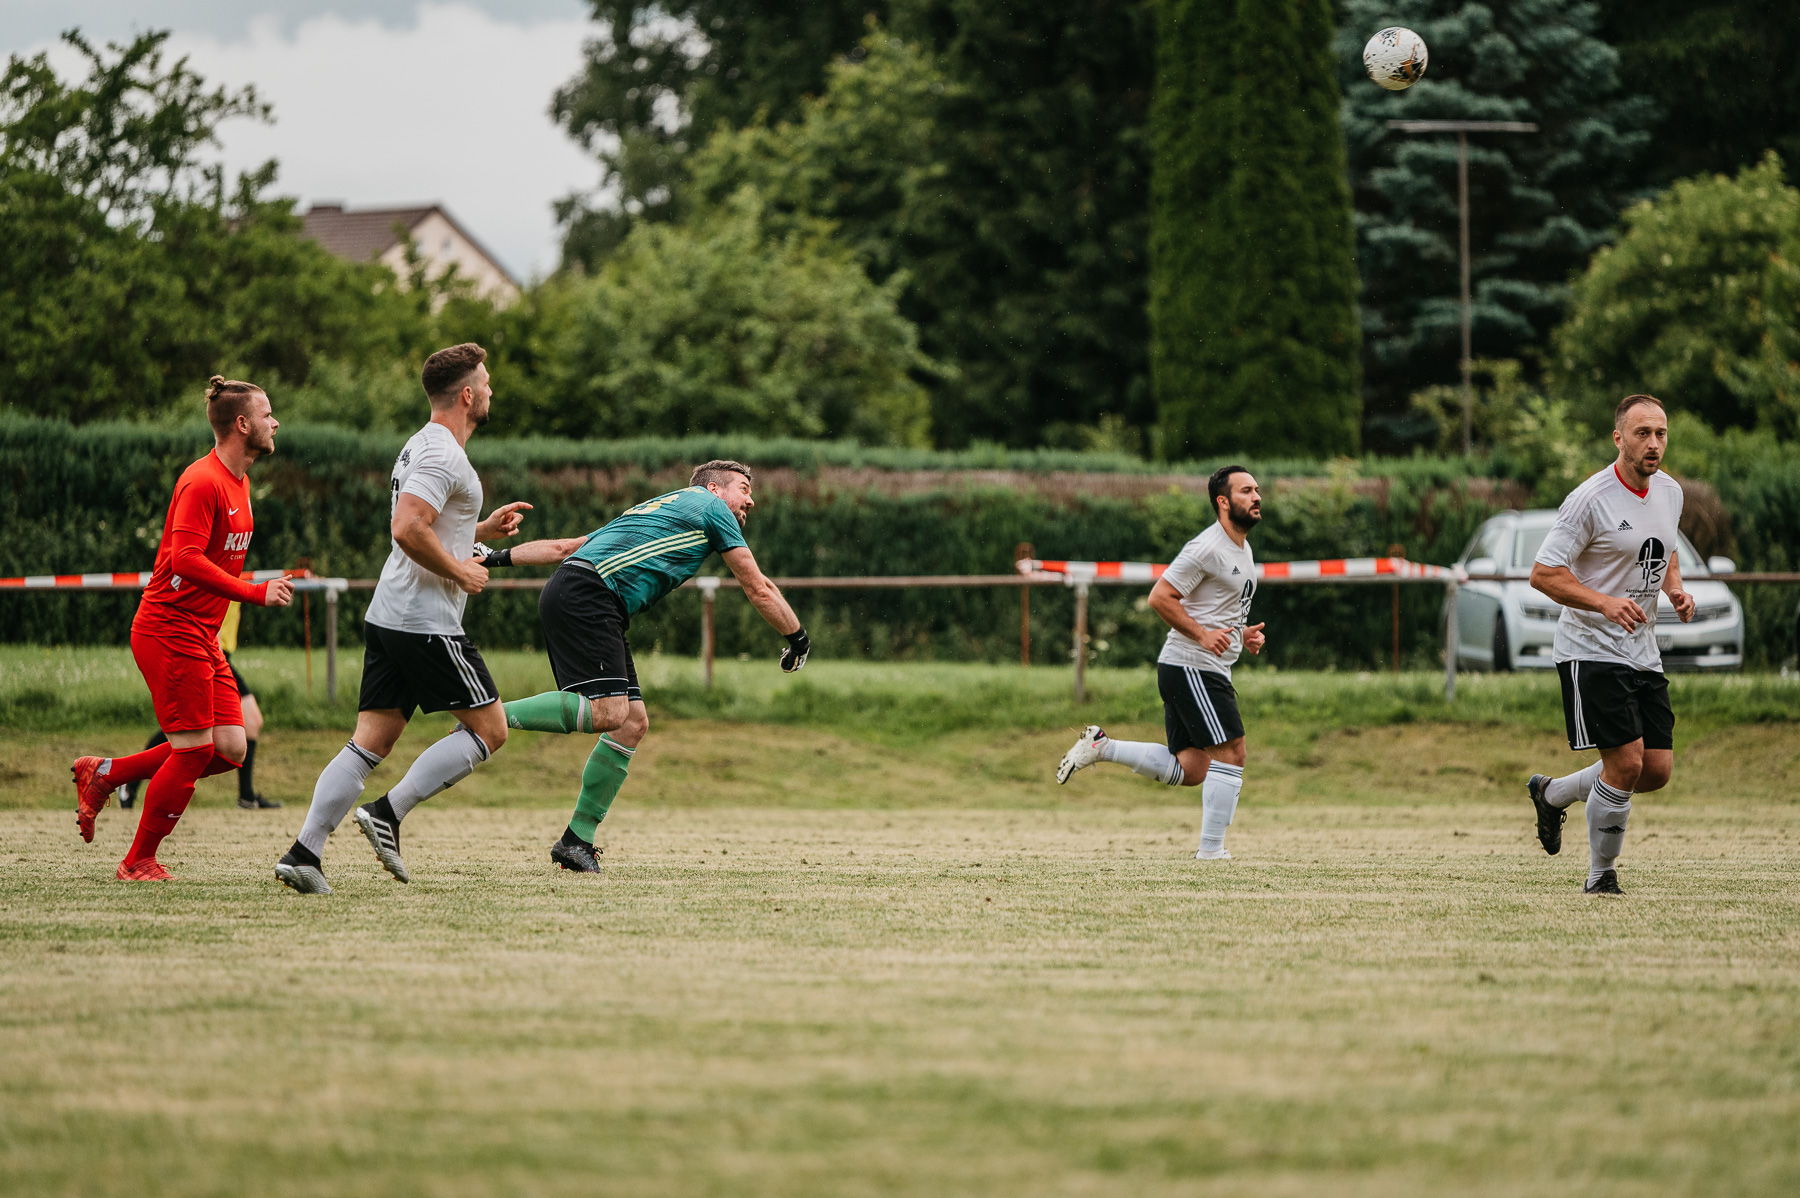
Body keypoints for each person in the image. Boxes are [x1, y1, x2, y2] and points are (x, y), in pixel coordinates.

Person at [274, 344, 583, 895]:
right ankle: (387, 813)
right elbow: (406, 527)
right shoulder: (444, 455)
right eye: (485, 383)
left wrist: (479, 530)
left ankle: (304, 854)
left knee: (369, 743)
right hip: (426, 622)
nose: (490, 390)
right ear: (467, 394)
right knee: (490, 730)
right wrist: (461, 571)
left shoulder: (421, 443)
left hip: (390, 614)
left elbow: (428, 523)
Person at [502, 460, 810, 873]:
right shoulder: (711, 508)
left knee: (631, 722)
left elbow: (565, 548)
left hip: (585, 592)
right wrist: (797, 638)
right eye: (743, 488)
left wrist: (493, 557)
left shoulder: (662, 507)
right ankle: (489, 717)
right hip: (592, 594)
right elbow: (759, 588)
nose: (750, 500)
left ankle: (576, 841)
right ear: (714, 489)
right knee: (608, 712)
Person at [69, 377, 296, 880]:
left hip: (200, 635)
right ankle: (137, 861)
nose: (275, 422)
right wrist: (254, 592)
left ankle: (107, 773)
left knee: (231, 748)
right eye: (267, 414)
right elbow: (185, 560)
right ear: (243, 424)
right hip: (169, 628)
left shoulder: (240, 482)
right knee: (193, 751)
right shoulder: (202, 480)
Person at [1525, 394, 1694, 895]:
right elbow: (1543, 574)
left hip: (1642, 649)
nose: (1654, 443)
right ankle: (1601, 876)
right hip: (1590, 647)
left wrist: (1675, 589)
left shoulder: (1671, 493)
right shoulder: (1590, 499)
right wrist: (1603, 603)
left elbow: (1665, 548)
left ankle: (1553, 793)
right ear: (1619, 438)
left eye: (1661, 433)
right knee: (1625, 764)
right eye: (1642, 433)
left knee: (1655, 769)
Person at [1055, 465, 1267, 861]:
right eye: (1245, 491)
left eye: (1256, 490)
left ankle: (1103, 747)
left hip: (1194, 667)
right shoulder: (1207, 547)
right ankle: (1211, 853)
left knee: (1192, 768)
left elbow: (1215, 609)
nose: (1256, 497)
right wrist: (1202, 636)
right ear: (1223, 502)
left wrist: (1243, 635)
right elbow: (1160, 597)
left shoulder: (1241, 547)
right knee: (1232, 751)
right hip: (1192, 665)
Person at [119, 601, 281, 811]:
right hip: (210, 651)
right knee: (193, 729)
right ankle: (127, 779)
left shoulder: (238, 580)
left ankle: (246, 797)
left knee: (228, 724)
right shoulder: (216, 579)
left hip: (219, 653)